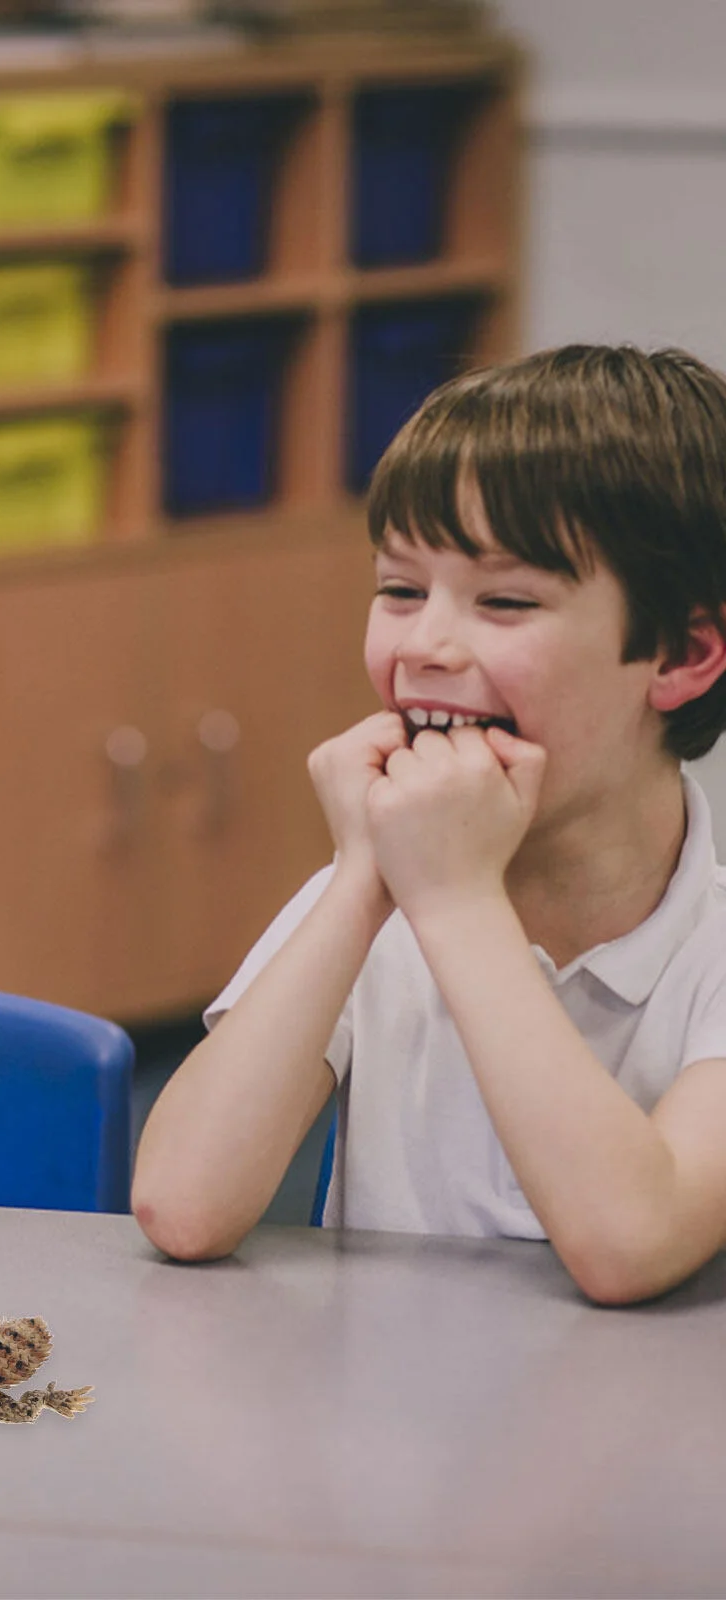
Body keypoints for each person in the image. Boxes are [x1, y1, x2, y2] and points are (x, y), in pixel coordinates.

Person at [132, 344, 726, 1305]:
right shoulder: (377, 893)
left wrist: (456, 902)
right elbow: (182, 1206)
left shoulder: (701, 948)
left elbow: (629, 1244)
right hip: (386, 1400)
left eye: (506, 601)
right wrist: (361, 879)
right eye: (400, 590)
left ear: (682, 654)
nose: (425, 646)